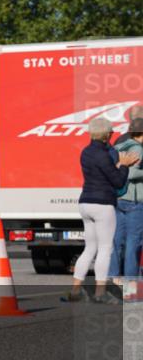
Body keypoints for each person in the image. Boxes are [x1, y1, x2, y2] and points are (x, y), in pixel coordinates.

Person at [62, 116, 140, 304]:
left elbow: (107, 157)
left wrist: (116, 158)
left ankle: (75, 290)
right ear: (106, 135)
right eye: (111, 132)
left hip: (85, 203)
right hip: (103, 204)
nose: (113, 135)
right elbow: (118, 181)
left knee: (89, 249)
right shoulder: (105, 156)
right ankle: (100, 293)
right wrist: (124, 166)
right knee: (106, 249)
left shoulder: (86, 152)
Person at [109, 105, 143, 283]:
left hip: (118, 198)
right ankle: (131, 281)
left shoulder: (119, 141)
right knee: (133, 242)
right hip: (134, 199)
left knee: (116, 240)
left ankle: (114, 276)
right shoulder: (138, 147)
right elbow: (132, 173)